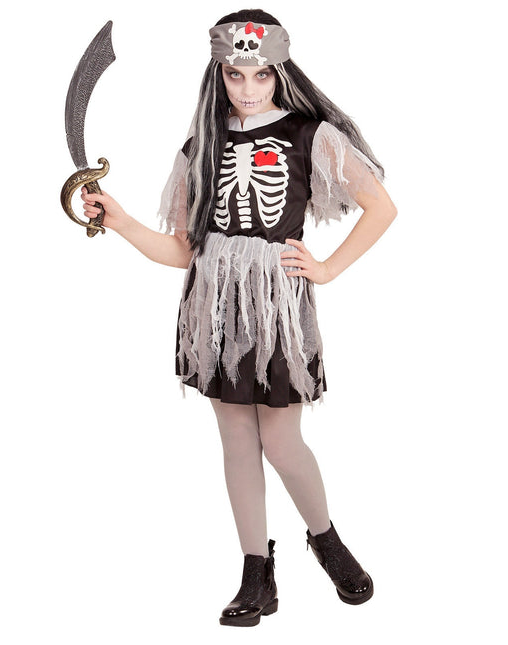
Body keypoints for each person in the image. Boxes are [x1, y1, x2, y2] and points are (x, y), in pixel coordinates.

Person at [81, 8, 397, 627]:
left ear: (280, 71)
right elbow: (183, 250)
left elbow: (381, 206)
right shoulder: (202, 145)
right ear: (217, 74)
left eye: (260, 75)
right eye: (234, 75)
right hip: (215, 306)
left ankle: (326, 540)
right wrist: (119, 222)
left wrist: (327, 269)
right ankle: (257, 571)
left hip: (277, 308)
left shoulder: (310, 135)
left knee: (281, 440)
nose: (248, 88)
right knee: (235, 441)